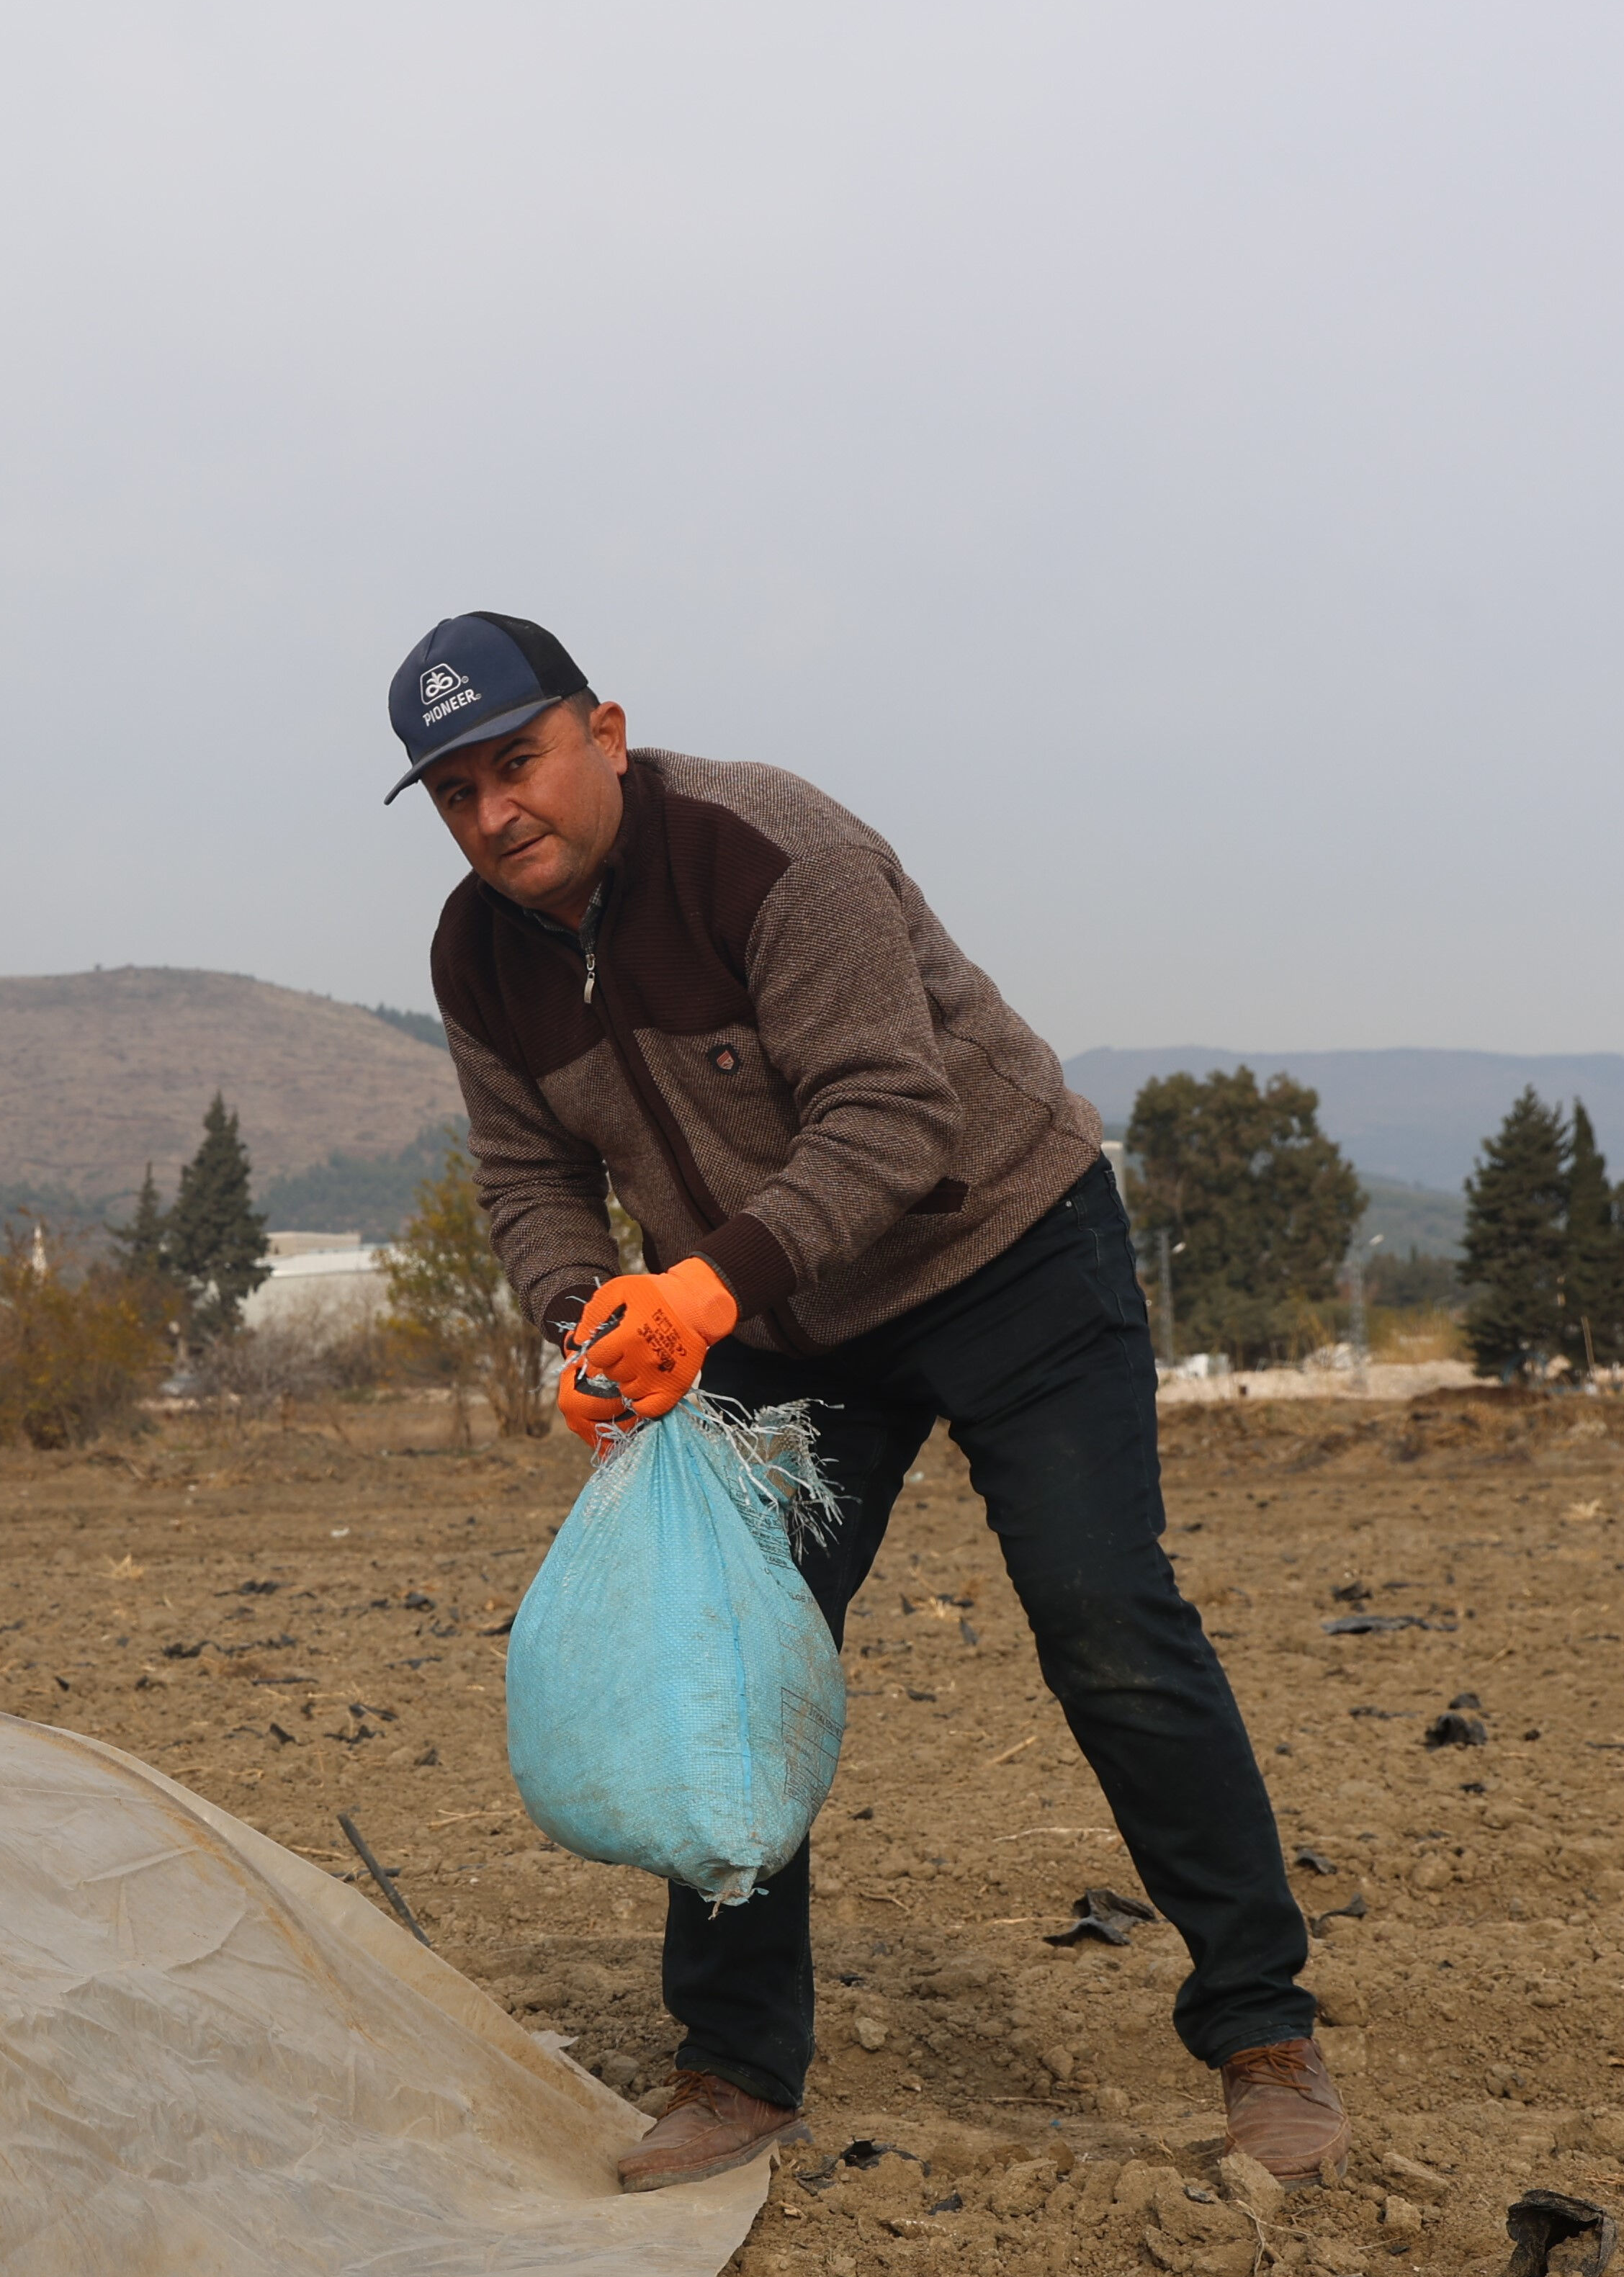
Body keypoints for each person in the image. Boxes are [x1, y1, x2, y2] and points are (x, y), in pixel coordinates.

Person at [389, 611, 1345, 2193]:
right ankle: (734, 2069)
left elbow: (893, 1116)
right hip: (774, 1317)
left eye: (518, 762)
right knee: (724, 1642)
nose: (494, 813)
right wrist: (587, 1328)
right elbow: (528, 1177)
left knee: (1104, 1616)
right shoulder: (476, 955)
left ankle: (1265, 2038)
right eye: (454, 792)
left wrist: (700, 1291)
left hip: (1004, 1252)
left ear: (604, 733)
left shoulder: (774, 852)